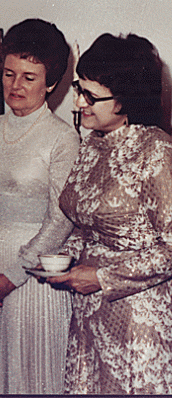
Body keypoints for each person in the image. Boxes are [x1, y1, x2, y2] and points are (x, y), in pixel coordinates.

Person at [0, 18, 80, 394]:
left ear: (51, 83)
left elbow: (60, 220)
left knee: (30, 379)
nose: (15, 85)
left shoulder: (63, 138)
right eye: (9, 73)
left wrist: (13, 275)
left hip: (32, 277)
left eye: (29, 77)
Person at [48, 33, 172, 394]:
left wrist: (103, 277)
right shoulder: (92, 144)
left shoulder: (157, 151)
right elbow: (87, 225)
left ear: (126, 99)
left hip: (137, 316)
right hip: (89, 311)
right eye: (78, 89)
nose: (77, 102)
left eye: (90, 96)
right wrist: (64, 260)